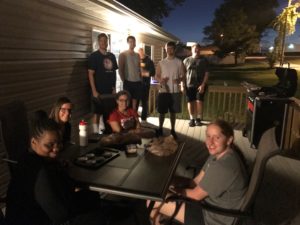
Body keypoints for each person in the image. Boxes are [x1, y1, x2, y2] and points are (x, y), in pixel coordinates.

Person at [5, 116, 108, 225]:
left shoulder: (26, 159)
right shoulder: (40, 171)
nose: (56, 149)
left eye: (59, 143)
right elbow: (60, 214)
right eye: (49, 145)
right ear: (34, 142)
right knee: (97, 210)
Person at [149, 119, 249, 225]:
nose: (210, 142)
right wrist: (172, 181)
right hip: (208, 205)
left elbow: (195, 196)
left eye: (217, 137)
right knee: (160, 195)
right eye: (208, 136)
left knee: (152, 201)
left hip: (212, 217)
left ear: (229, 140)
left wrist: (172, 191)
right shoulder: (219, 155)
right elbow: (195, 182)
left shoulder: (224, 166)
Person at [88, 33, 118, 134]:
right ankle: (96, 135)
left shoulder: (112, 56)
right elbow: (90, 74)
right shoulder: (94, 56)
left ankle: (108, 134)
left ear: (108, 42)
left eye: (105, 41)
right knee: (97, 113)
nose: (104, 43)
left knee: (109, 113)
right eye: (101, 41)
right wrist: (94, 91)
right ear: (98, 42)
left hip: (109, 91)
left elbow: (114, 73)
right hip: (98, 91)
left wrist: (114, 88)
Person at [155, 41, 185, 139]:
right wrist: (161, 80)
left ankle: (172, 130)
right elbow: (156, 76)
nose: (169, 50)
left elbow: (183, 75)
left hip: (175, 91)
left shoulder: (179, 62)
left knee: (173, 112)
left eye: (171, 48)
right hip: (163, 91)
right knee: (162, 112)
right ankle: (160, 128)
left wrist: (179, 79)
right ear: (165, 49)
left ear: (174, 49)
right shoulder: (161, 62)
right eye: (168, 48)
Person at [183, 43, 209, 127]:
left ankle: (198, 119)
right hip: (189, 85)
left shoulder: (204, 61)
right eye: (195, 49)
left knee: (199, 102)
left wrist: (203, 85)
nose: (197, 50)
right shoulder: (186, 60)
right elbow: (182, 74)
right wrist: (182, 85)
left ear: (200, 50)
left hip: (200, 86)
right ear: (192, 50)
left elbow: (206, 73)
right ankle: (191, 119)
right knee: (190, 102)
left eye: (198, 49)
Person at [118, 36, 141, 111]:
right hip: (128, 82)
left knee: (135, 105)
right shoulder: (123, 54)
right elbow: (120, 69)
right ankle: (127, 121)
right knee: (127, 104)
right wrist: (124, 80)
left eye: (134, 42)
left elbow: (139, 68)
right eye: (130, 41)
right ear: (128, 43)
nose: (132, 43)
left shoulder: (137, 55)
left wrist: (141, 78)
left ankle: (134, 120)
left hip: (137, 82)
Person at [138, 47, 155, 122]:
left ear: (143, 52)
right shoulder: (136, 60)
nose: (140, 53)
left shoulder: (149, 61)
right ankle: (135, 119)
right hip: (136, 84)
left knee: (144, 102)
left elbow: (153, 72)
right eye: (139, 52)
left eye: (141, 52)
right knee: (136, 101)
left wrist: (143, 74)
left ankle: (143, 118)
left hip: (145, 85)